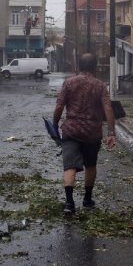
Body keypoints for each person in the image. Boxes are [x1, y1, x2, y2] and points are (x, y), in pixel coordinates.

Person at [53, 53, 116, 214]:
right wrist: (111, 132)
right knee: (90, 165)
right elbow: (108, 108)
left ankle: (69, 203)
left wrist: (54, 124)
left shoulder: (68, 83)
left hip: (71, 131)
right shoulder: (100, 86)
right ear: (95, 68)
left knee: (69, 166)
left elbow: (59, 106)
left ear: (78, 67)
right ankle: (87, 200)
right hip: (92, 133)